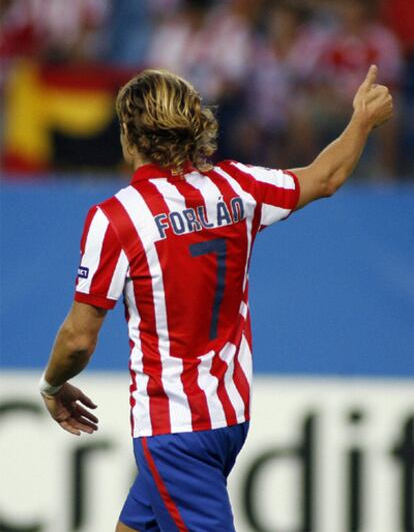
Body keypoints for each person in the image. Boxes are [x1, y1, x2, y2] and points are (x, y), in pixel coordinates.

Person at [39, 66, 392, 532]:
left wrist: (51, 385)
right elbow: (325, 177)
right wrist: (361, 120)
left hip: (174, 430)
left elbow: (79, 341)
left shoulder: (118, 218)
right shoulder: (236, 187)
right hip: (228, 417)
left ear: (129, 135)